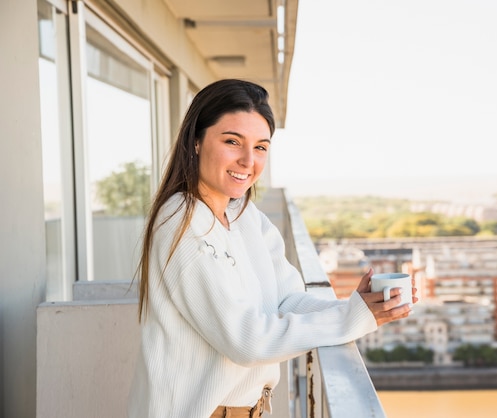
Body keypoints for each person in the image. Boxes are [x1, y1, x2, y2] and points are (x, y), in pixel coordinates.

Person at [128, 79, 417, 418]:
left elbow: (288, 300)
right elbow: (245, 340)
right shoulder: (180, 222)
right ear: (196, 141)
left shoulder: (244, 215)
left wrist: (357, 307)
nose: (248, 161)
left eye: (261, 147)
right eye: (232, 141)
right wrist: (351, 320)